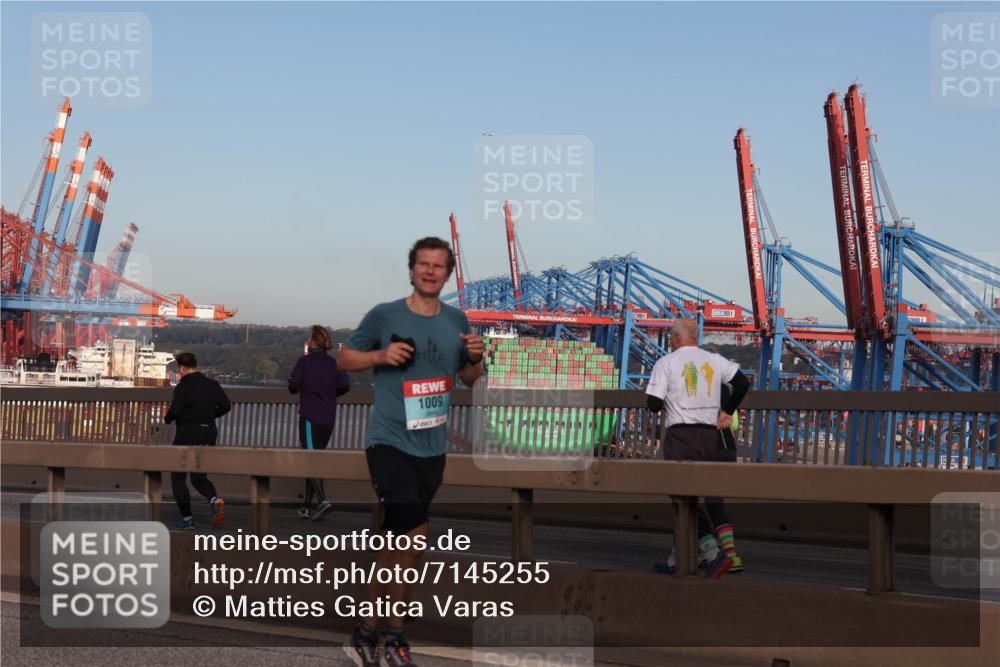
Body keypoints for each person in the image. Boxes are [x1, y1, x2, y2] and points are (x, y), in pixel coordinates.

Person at [338, 237, 484, 667]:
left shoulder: (457, 320)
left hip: (431, 448)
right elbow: (343, 359)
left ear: (448, 273)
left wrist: (476, 356)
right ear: (411, 269)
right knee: (416, 534)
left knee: (394, 544)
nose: (430, 271)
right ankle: (396, 637)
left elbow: (472, 378)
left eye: (439, 266)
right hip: (388, 442)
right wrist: (380, 354)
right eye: (423, 264)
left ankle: (366, 631)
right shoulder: (384, 315)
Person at [645, 319, 750, 578]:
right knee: (694, 497)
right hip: (710, 438)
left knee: (682, 498)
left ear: (678, 338)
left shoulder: (665, 363)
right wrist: (727, 410)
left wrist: (659, 397)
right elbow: (743, 383)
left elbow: (654, 405)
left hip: (681, 437)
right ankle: (676, 559)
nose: (671, 342)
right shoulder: (713, 360)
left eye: (671, 338)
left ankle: (714, 554)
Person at [288, 324, 351, 521]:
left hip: (310, 416)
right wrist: (330, 395)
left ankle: (323, 501)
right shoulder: (334, 363)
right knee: (316, 460)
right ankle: (306, 506)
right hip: (328, 417)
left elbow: (293, 386)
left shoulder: (304, 362)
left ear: (313, 342)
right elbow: (345, 386)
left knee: (310, 459)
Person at [164, 352, 231, 530]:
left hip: (187, 434)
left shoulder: (182, 387)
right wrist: (210, 416)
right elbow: (226, 406)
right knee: (199, 477)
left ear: (182, 368)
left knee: (178, 477)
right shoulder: (212, 384)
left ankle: (187, 519)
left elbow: (176, 410)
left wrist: (167, 418)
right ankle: (214, 500)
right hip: (208, 433)